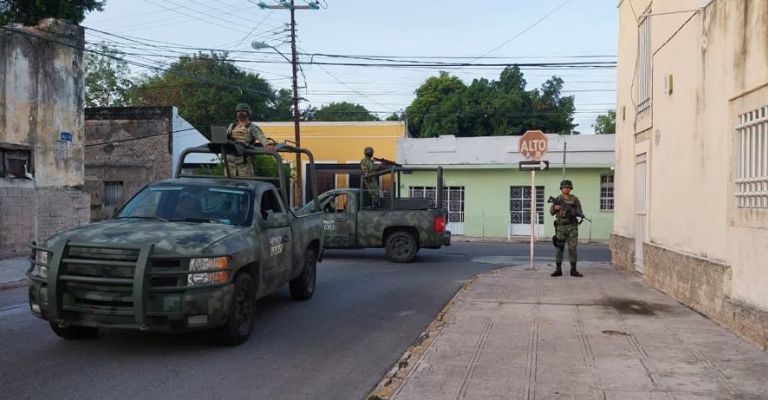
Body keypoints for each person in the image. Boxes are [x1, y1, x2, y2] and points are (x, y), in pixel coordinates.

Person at [226, 103, 273, 177]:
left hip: (244, 161)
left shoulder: (252, 127)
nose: (240, 113)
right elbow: (225, 137)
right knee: (229, 185)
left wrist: (267, 144)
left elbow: (260, 136)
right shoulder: (231, 126)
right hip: (230, 161)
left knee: (246, 184)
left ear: (248, 113)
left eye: (242, 111)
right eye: (238, 111)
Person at [550, 179, 583, 277]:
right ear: (561, 188)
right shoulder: (558, 199)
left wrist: (576, 213)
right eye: (564, 187)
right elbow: (551, 212)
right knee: (559, 248)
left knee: (573, 248)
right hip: (561, 227)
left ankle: (573, 270)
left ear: (570, 188)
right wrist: (555, 208)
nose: (566, 189)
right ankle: (558, 270)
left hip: (572, 227)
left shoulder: (575, 199)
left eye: (568, 187)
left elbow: (580, 212)